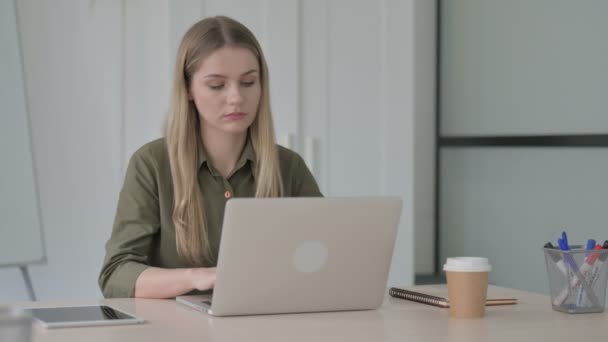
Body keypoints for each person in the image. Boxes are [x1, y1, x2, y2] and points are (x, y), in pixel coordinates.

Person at [98, 16, 321, 299]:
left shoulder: (288, 167)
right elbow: (116, 274)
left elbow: (322, 260)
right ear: (188, 89)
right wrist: (196, 276)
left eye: (249, 82)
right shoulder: (151, 164)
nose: (236, 98)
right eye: (217, 85)